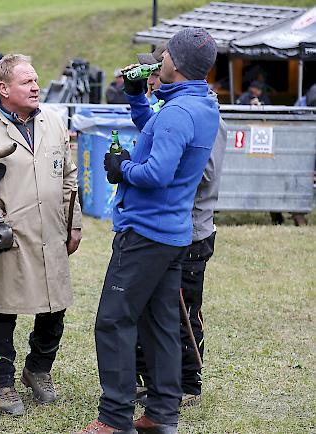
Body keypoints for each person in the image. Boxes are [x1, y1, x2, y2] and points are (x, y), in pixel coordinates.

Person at [76, 28, 219, 434]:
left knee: (113, 321)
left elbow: (156, 173)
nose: (162, 58)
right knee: (159, 325)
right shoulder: (200, 105)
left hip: (145, 233)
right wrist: (138, 96)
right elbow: (156, 125)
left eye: (167, 53)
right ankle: (160, 415)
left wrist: (121, 168)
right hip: (171, 233)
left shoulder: (179, 113)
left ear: (176, 61)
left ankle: (115, 419)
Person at [0, 54, 82, 416]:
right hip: (4, 240)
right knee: (2, 311)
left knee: (54, 308)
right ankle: (1, 383)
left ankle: (38, 369)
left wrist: (73, 224)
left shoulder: (54, 123)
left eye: (36, 80)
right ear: (3, 88)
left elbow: (69, 177)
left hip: (51, 233)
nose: (35, 86)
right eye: (27, 81)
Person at [131, 46, 228, 409]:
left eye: (155, 74)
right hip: (161, 227)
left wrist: (162, 165)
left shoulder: (206, 115)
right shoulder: (170, 110)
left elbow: (204, 174)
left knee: (183, 311)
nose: (151, 82)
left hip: (191, 231)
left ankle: (189, 382)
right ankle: (148, 378)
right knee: (147, 307)